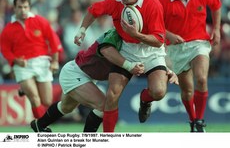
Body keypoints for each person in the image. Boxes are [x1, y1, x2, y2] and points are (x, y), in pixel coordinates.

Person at [74, 0, 172, 132]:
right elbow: (93, 10)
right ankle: (108, 138)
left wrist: (137, 35)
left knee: (158, 92)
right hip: (126, 49)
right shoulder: (115, 1)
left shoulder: (153, 4)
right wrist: (82, 30)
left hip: (152, 51)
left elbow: (159, 40)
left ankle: (144, 100)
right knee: (112, 95)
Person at [30, 29, 178, 132]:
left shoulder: (133, 42)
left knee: (66, 107)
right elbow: (107, 51)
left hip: (86, 76)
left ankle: (39, 125)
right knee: (104, 106)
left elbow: (146, 61)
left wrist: (168, 71)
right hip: (75, 72)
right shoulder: (115, 35)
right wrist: (128, 65)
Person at [158, 0, 221, 132]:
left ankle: (200, 121)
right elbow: (154, 26)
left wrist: (216, 29)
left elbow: (216, 5)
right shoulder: (162, 0)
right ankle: (193, 121)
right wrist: (169, 35)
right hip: (176, 49)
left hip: (199, 43)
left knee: (201, 78)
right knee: (187, 91)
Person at [0, 0, 62, 120]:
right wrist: (15, 60)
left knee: (47, 101)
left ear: (29, 7)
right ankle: (41, 128)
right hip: (23, 65)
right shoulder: (8, 29)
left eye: (25, 7)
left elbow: (53, 40)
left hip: (42, 62)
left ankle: (25, 88)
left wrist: (55, 61)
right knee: (34, 98)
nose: (23, 10)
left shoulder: (40, 21)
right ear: (14, 8)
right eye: (20, 7)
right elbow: (5, 49)